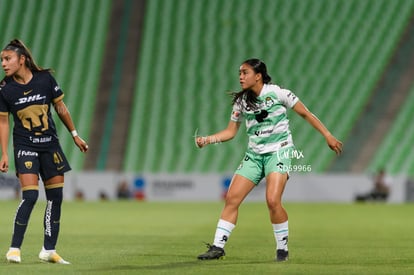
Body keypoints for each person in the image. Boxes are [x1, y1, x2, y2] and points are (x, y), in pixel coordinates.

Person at [195, 58, 342, 262]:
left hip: (279, 153)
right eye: (239, 72)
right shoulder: (241, 101)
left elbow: (306, 114)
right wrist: (208, 139)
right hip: (254, 156)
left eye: (245, 72)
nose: (240, 76)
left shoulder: (279, 93)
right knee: (232, 199)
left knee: (273, 201)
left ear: (258, 75)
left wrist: (327, 135)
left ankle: (282, 250)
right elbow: (231, 132)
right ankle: (218, 247)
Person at [0, 39, 89, 264]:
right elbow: (3, 122)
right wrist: (4, 153)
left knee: (55, 198)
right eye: (2, 60)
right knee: (30, 196)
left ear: (22, 60)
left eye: (7, 59)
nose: (3, 63)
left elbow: (60, 107)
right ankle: (14, 249)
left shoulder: (45, 79)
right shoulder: (5, 88)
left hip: (50, 145)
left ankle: (48, 250)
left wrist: (75, 134)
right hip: (25, 145)